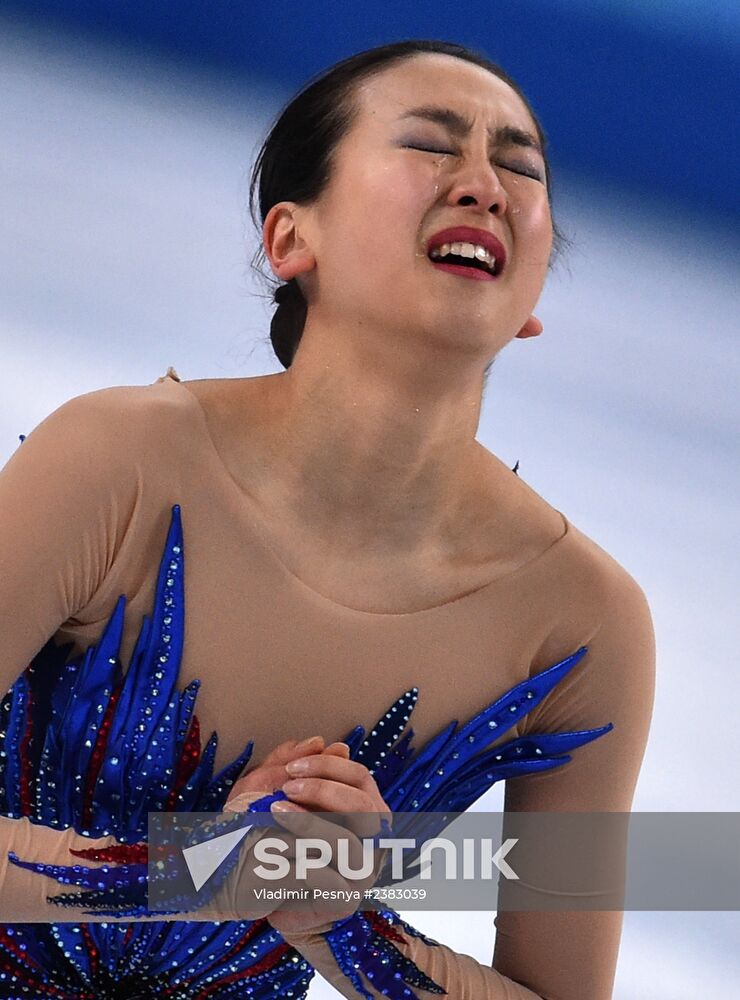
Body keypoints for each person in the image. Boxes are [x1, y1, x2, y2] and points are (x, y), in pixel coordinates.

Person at [0, 39, 655, 999]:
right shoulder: (117, 465)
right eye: (432, 147)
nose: (485, 186)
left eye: (518, 167)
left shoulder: (581, 625)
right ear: (289, 240)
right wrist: (202, 872)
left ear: (530, 300)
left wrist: (337, 927)